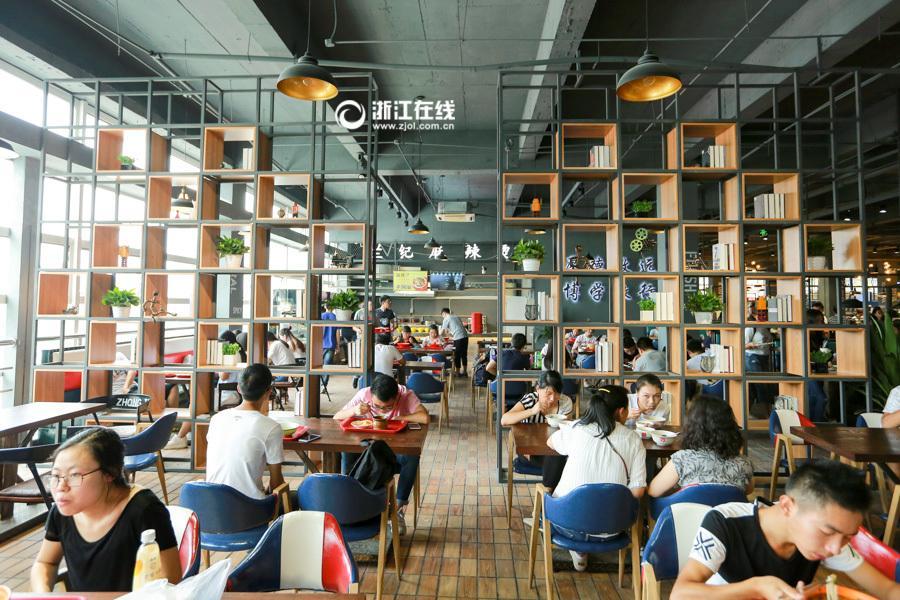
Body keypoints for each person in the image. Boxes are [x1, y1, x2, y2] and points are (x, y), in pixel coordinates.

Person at [671, 460, 900, 600]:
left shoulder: (833, 541)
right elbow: (681, 594)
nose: (834, 548)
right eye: (827, 531)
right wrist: (757, 587)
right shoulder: (726, 521)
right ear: (788, 506)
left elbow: (888, 590)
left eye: (848, 537)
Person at [30, 428, 181, 592]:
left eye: (74, 475)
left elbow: (171, 580)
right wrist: (43, 594)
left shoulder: (144, 510)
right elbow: (45, 562)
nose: (61, 487)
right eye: (56, 476)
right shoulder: (62, 512)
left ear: (110, 473)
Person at [545, 385, 646, 571]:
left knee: (550, 493)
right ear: (621, 411)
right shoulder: (634, 440)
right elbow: (638, 491)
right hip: (613, 528)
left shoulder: (577, 428)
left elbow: (550, 442)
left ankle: (579, 549)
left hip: (566, 524)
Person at [333, 374, 429, 534]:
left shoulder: (406, 395)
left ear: (396, 397)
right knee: (347, 450)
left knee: (412, 457)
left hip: (393, 455)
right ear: (371, 395)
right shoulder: (364, 394)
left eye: (387, 407)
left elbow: (424, 417)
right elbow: (337, 416)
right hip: (368, 454)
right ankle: (350, 501)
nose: (382, 411)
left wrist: (400, 417)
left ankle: (397, 510)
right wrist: (355, 410)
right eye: (377, 406)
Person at [205, 364, 285, 500]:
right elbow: (276, 483)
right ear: (268, 392)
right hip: (249, 508)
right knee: (294, 498)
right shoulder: (271, 427)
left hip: (210, 503)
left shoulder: (216, 419)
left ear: (238, 388)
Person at [648, 395, 753, 498]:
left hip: (689, 509)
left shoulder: (683, 460)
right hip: (729, 509)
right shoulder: (744, 463)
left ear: (692, 427)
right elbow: (748, 490)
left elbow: (653, 491)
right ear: (731, 427)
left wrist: (680, 492)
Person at [501, 370, 574, 426]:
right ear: (538, 389)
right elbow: (504, 420)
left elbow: (566, 427)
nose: (552, 398)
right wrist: (532, 411)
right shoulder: (530, 400)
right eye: (548, 394)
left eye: (557, 394)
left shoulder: (565, 402)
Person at [440, 307, 470, 376]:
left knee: (457, 355)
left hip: (458, 338)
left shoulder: (446, 318)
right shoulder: (456, 316)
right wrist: (451, 336)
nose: (443, 317)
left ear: (444, 313)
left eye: (442, 315)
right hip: (465, 337)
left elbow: (441, 332)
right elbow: (456, 328)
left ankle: (457, 372)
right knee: (464, 355)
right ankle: (465, 372)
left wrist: (438, 335)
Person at [321, 301, 337, 389]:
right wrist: (338, 345)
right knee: (327, 366)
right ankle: (324, 385)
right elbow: (337, 332)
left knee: (318, 366)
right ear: (332, 307)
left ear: (325, 307)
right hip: (331, 344)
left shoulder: (321, 316)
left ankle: (318, 384)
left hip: (320, 344)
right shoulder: (334, 316)